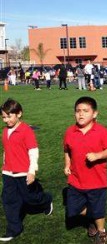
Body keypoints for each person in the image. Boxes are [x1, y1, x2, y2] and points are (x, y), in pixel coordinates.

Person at [63, 97, 107, 244]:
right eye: (78, 111)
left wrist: (98, 155)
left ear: (94, 114)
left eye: (85, 111)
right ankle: (92, 218)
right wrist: (67, 165)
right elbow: (67, 150)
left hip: (97, 180)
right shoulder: (70, 131)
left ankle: (101, 232)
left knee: (98, 210)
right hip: (76, 180)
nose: (81, 114)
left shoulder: (101, 131)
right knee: (73, 210)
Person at [0, 99, 53, 242]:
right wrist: (4, 164)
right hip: (8, 173)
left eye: (9, 116)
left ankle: (46, 200)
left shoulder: (26, 130)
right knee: (8, 200)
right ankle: (14, 229)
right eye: (3, 117)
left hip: (23, 172)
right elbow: (7, 149)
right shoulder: (5, 131)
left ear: (19, 114)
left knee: (29, 199)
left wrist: (32, 171)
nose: (6, 120)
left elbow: (33, 152)